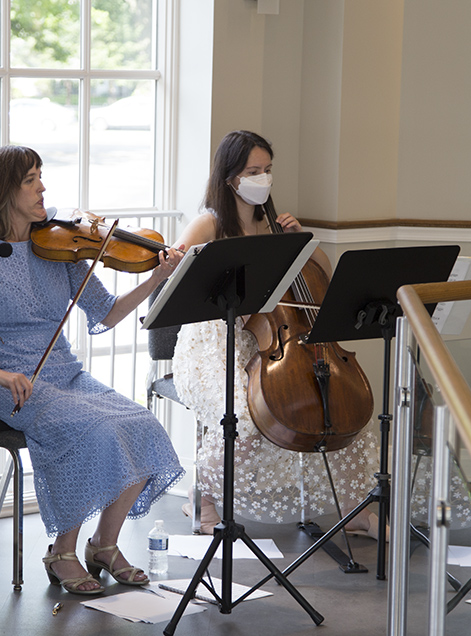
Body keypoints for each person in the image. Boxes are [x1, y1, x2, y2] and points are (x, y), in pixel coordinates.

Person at [0, 145, 185, 596]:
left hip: (61, 372)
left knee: (142, 424)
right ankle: (60, 552)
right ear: (4, 189)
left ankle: (104, 545)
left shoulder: (58, 247)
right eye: (30, 180)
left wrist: (156, 278)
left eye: (40, 176)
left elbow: (105, 312)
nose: (42, 187)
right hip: (2, 381)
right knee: (93, 429)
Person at [171, 130, 383, 536]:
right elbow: (180, 275)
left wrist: (301, 239)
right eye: (253, 171)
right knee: (246, 418)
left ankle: (356, 511)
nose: (262, 178)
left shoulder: (274, 226)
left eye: (267, 170)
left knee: (342, 409)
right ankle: (205, 499)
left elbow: (324, 272)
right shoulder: (210, 223)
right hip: (211, 346)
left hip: (268, 343)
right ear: (230, 176)